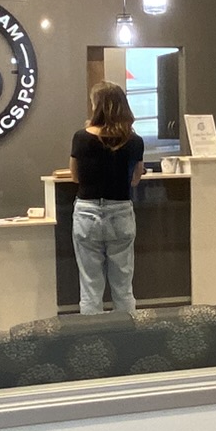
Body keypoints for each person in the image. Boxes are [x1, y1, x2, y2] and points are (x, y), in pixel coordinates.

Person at [70, 81, 144, 315]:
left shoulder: (81, 137)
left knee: (90, 288)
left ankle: (93, 336)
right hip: (120, 211)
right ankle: (126, 334)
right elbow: (135, 179)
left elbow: (75, 176)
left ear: (97, 106)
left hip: (87, 213)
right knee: (123, 287)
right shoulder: (134, 141)